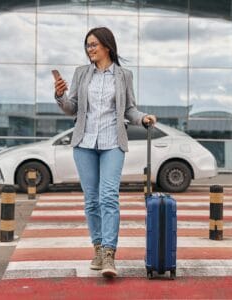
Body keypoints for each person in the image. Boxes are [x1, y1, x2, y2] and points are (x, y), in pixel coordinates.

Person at [54, 27, 156, 277]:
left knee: (108, 197)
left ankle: (110, 254)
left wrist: (143, 117)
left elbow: (129, 110)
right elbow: (72, 108)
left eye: (93, 45)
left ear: (107, 47)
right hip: (84, 143)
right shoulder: (81, 73)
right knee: (91, 200)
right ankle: (98, 249)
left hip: (113, 142)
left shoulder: (123, 75)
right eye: (87, 45)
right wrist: (60, 96)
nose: (89, 49)